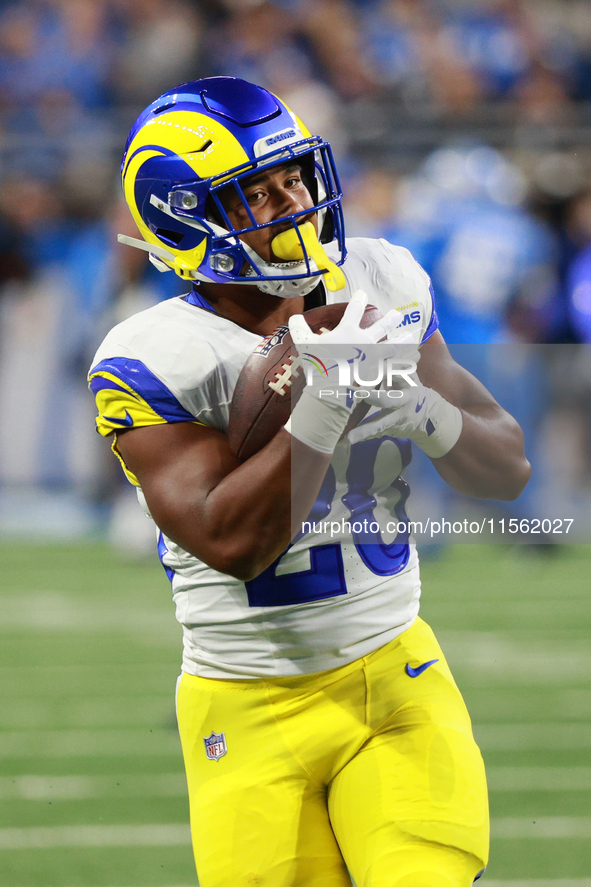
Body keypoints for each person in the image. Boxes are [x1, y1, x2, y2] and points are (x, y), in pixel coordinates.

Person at [88, 76, 531, 887]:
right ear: (185, 216)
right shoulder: (149, 354)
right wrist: (326, 399)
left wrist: (423, 410)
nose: (294, 201)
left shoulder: (378, 280)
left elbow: (506, 466)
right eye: (257, 193)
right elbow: (233, 541)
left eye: (294, 176)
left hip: (395, 678)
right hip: (243, 705)